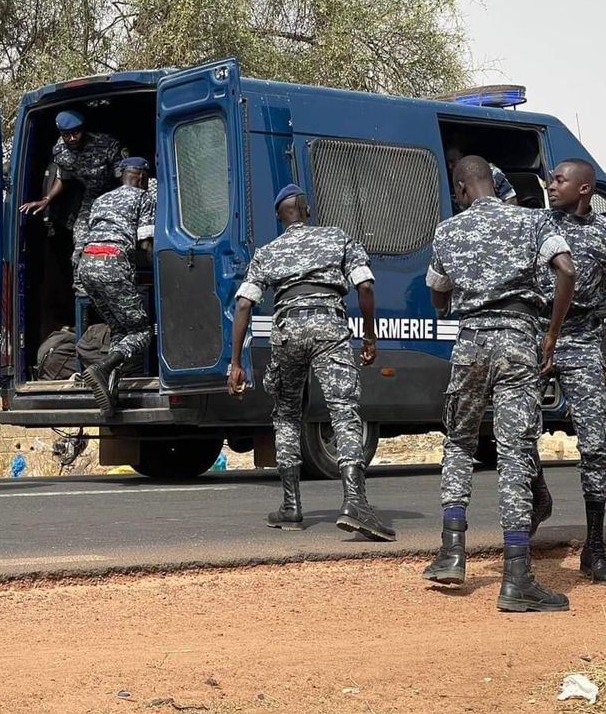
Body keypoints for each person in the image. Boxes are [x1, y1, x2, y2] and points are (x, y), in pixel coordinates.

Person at [421, 155, 576, 610]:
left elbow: (438, 293)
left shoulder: (448, 231)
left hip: (469, 344)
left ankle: (452, 552)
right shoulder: (533, 221)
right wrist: (551, 332)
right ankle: (516, 577)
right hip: (517, 342)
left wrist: (455, 305)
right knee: (514, 455)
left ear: (463, 189)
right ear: (491, 182)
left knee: (459, 444)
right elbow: (566, 270)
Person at [227, 184, 392, 541]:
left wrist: (236, 362)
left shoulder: (268, 252)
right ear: (307, 210)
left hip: (286, 330)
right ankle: (355, 503)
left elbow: (243, 304)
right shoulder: (337, 238)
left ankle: (291, 506)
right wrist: (369, 335)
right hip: (328, 325)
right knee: (344, 412)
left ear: (278, 216)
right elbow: (365, 286)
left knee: (286, 415)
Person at [537, 159, 606, 584]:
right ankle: (538, 494)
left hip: (581, 340)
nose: (552, 185)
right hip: (536, 337)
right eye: (551, 179)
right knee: (514, 432)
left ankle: (595, 547)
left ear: (585, 189)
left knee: (596, 443)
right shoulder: (538, 225)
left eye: (560, 180)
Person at [75, 157, 156, 417]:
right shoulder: (144, 199)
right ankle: (102, 368)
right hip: (113, 263)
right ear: (143, 177)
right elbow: (145, 243)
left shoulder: (100, 200)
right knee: (142, 331)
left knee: (121, 329)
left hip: (87, 266)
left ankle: (109, 394)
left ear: (122, 175)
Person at [19, 110, 124, 278]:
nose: (72, 138)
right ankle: (82, 291)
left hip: (115, 195)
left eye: (76, 133)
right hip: (91, 198)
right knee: (80, 241)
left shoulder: (106, 144)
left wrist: (128, 200)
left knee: (115, 238)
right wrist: (47, 199)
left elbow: (124, 175)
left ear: (83, 130)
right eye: (67, 135)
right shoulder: (61, 151)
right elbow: (63, 178)